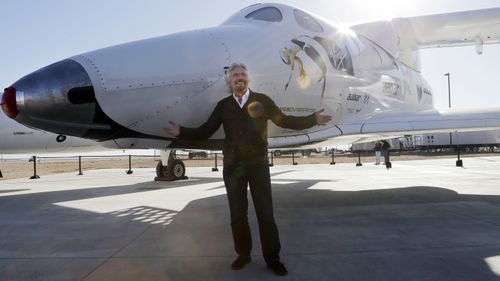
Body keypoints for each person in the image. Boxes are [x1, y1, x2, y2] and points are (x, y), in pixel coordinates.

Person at [164, 63, 331, 276]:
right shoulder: (223, 106)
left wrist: (312, 119)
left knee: (265, 214)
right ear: (229, 81)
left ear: (248, 79)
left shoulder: (263, 100)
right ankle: (243, 255)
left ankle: (273, 258)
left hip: (258, 166)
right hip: (233, 168)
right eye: (234, 75)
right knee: (237, 215)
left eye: (242, 74)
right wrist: (181, 131)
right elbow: (206, 130)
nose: (238, 77)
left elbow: (286, 120)